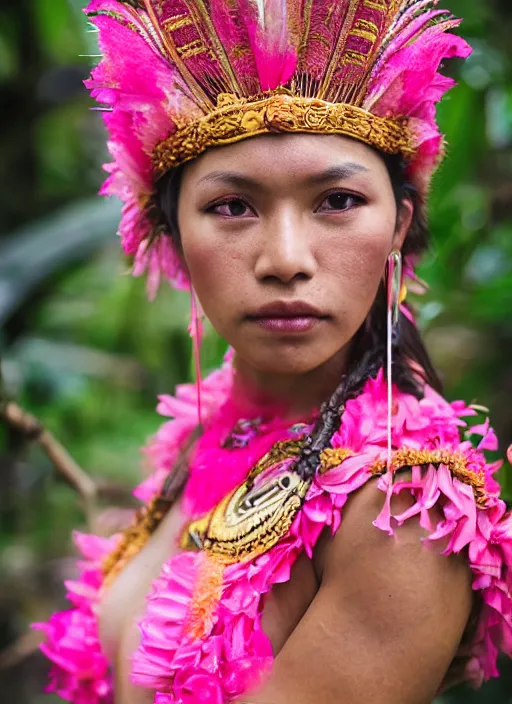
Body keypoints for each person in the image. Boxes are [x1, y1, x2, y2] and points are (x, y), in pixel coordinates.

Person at [34, 1, 512, 703]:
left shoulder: (402, 507)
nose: (286, 260)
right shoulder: (202, 435)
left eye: (338, 200)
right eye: (232, 207)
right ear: (170, 235)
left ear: (398, 226)